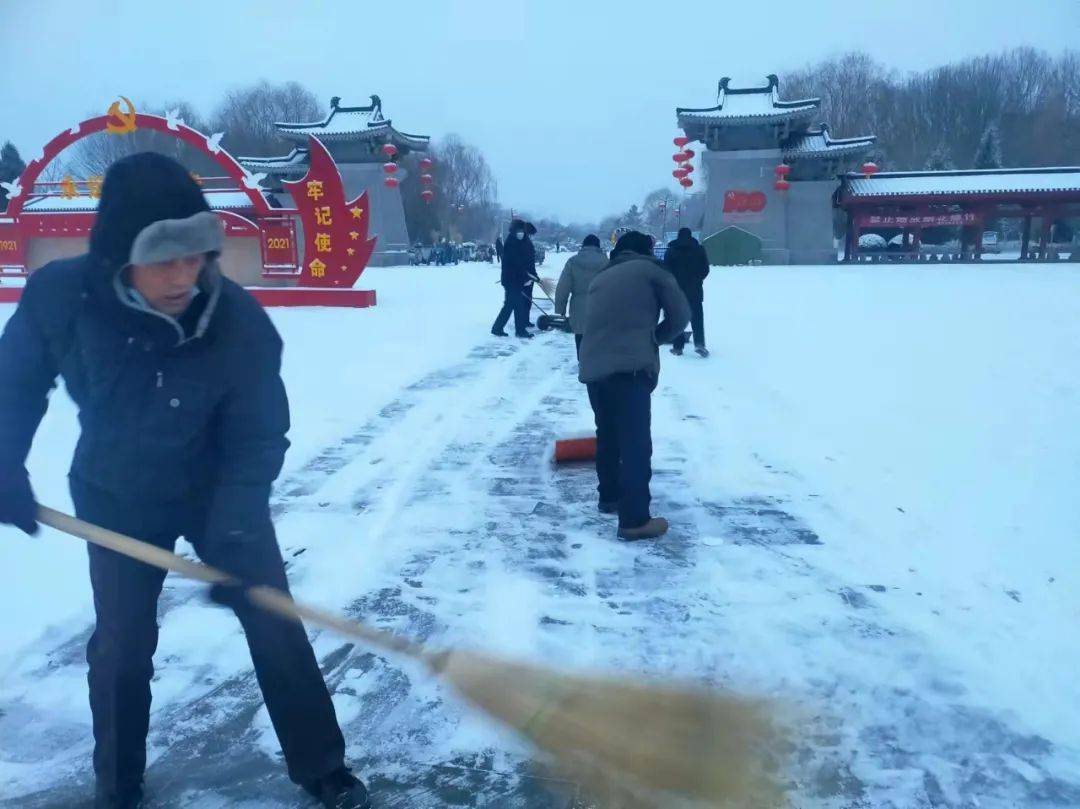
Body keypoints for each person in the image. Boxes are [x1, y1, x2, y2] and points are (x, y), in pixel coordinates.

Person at [0, 154, 369, 809]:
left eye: (196, 256)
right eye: (164, 259)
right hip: (115, 491)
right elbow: (15, 384)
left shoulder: (240, 324)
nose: (184, 275)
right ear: (119, 256)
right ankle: (118, 782)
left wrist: (231, 527)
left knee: (274, 620)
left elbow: (259, 435)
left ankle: (323, 766)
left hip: (217, 489)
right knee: (121, 644)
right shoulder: (62, 296)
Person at [578, 230, 690, 541]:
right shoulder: (652, 270)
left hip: (593, 368)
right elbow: (681, 315)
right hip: (629, 369)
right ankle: (635, 519)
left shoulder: (602, 277)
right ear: (647, 250)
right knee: (636, 443)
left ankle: (609, 497)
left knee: (608, 434)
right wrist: (657, 337)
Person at [554, 234, 607, 354]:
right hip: (601, 307)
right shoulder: (606, 261)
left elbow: (563, 286)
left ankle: (582, 363)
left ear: (583, 246)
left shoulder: (572, 261)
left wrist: (560, 308)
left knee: (580, 336)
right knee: (598, 339)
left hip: (579, 307)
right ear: (598, 246)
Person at [663, 227, 711, 357]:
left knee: (677, 319)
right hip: (695, 290)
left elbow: (665, 270)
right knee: (697, 318)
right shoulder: (699, 250)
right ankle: (699, 344)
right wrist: (697, 279)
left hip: (676, 291)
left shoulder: (671, 251)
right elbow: (705, 269)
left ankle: (678, 347)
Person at [490, 219, 535, 339]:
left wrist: (530, 275)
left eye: (522, 231)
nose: (521, 233)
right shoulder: (511, 243)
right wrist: (526, 277)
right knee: (515, 305)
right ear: (514, 231)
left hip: (516, 279)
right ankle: (518, 331)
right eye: (519, 231)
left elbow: (525, 262)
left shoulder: (520, 242)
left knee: (511, 305)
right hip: (511, 279)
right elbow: (515, 264)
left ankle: (498, 328)